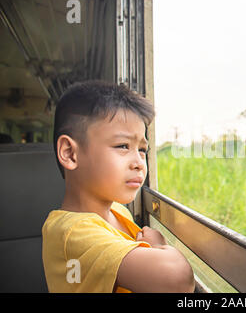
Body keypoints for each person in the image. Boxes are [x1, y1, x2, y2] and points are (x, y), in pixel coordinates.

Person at [42, 80, 195, 293]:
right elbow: (175, 280)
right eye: (123, 146)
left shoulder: (118, 211)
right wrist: (159, 246)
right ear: (69, 153)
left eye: (142, 149)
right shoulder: (71, 234)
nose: (139, 163)